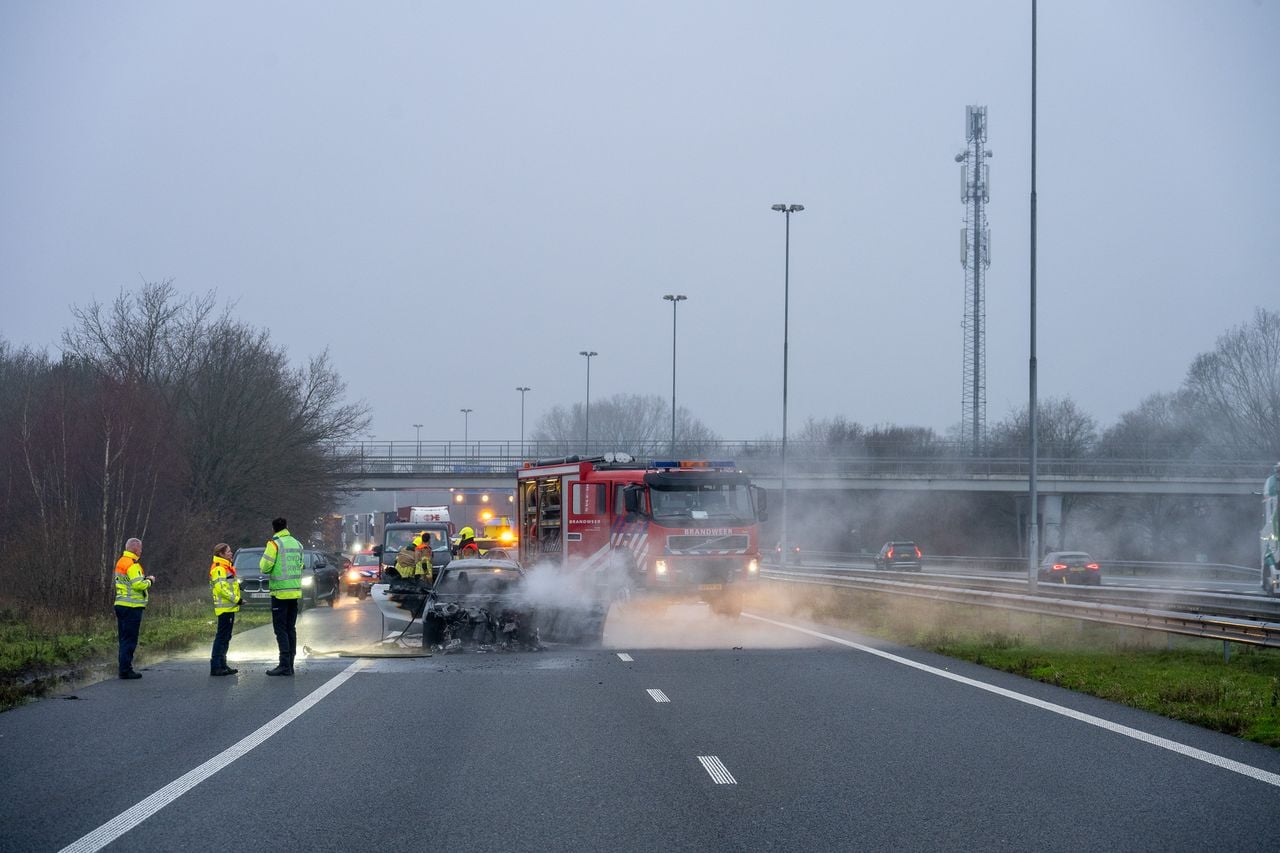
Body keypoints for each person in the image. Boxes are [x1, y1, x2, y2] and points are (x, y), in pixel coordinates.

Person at [259, 517, 304, 676]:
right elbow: (301, 565)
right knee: (290, 628)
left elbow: (264, 567)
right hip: (295, 592)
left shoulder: (274, 544)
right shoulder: (298, 544)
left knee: (280, 629)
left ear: (273, 529)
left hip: (279, 593)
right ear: (287, 527)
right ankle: (290, 663)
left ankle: (284, 665)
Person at [113, 537, 154, 680]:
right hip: (132, 606)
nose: (141, 551)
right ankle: (126, 670)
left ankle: (123, 668)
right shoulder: (132, 564)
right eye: (140, 548)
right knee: (130, 640)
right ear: (135, 548)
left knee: (123, 639)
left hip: (121, 604)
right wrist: (150, 581)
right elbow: (138, 585)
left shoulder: (121, 562)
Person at [209, 543, 241, 676]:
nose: (231, 553)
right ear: (221, 554)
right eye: (228, 551)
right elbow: (221, 589)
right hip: (224, 608)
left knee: (226, 636)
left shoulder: (226, 567)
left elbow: (229, 585)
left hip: (229, 607)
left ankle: (223, 664)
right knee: (221, 637)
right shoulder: (219, 568)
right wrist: (237, 600)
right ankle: (216, 666)